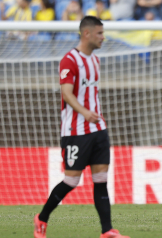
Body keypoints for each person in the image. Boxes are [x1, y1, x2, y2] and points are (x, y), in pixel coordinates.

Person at [33, 16, 129, 238]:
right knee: (72, 180)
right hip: (75, 131)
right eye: (99, 33)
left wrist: (93, 115)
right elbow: (66, 93)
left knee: (101, 180)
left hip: (98, 129)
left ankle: (107, 231)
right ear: (87, 33)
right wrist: (85, 113)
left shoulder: (95, 60)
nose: (103, 37)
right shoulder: (69, 60)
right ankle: (42, 218)